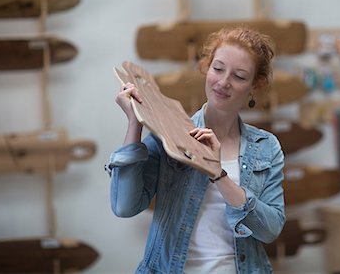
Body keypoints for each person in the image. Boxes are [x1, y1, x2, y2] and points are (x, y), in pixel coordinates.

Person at [106, 27, 285, 274]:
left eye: (240, 76)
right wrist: (136, 122)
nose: (223, 82)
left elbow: (271, 229)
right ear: (206, 67)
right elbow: (124, 206)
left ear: (255, 84)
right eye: (218, 69)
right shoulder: (169, 132)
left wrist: (218, 174)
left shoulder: (266, 147)